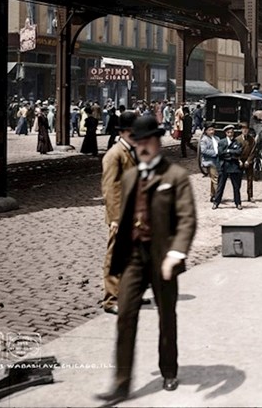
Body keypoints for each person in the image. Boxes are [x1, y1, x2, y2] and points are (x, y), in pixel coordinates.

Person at [96, 116, 197, 403]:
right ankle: (121, 383)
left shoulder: (176, 176)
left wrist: (175, 255)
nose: (143, 147)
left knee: (167, 316)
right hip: (134, 258)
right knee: (125, 316)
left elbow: (187, 220)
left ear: (158, 142)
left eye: (148, 141)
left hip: (163, 257)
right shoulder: (129, 176)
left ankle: (169, 371)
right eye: (138, 142)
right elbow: (124, 214)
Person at [100, 111, 138, 315]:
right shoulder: (114, 155)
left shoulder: (132, 151)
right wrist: (115, 218)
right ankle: (111, 299)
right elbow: (110, 189)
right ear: (123, 132)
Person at [212, 124, 243, 210]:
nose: (231, 134)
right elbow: (220, 153)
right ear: (226, 133)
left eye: (232, 132)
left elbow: (239, 152)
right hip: (224, 166)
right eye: (229, 132)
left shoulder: (237, 142)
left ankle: (238, 203)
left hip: (234, 166)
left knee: (236, 186)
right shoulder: (221, 142)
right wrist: (231, 153)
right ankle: (216, 202)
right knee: (220, 186)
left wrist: (228, 151)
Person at [199, 122, 220, 202]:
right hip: (209, 161)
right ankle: (218, 196)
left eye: (213, 129)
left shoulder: (217, 138)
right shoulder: (204, 140)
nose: (211, 131)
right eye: (209, 130)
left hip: (217, 161)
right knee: (216, 178)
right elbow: (204, 150)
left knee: (213, 178)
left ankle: (213, 195)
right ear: (206, 131)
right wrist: (215, 153)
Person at [236, 121, 256, 202]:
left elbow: (253, 151)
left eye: (246, 129)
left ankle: (250, 196)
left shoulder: (252, 140)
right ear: (241, 130)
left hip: (248, 162)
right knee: (238, 180)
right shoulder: (237, 139)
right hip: (240, 162)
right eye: (243, 129)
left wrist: (248, 161)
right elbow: (235, 151)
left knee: (250, 179)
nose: (245, 131)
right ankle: (237, 196)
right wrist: (239, 160)